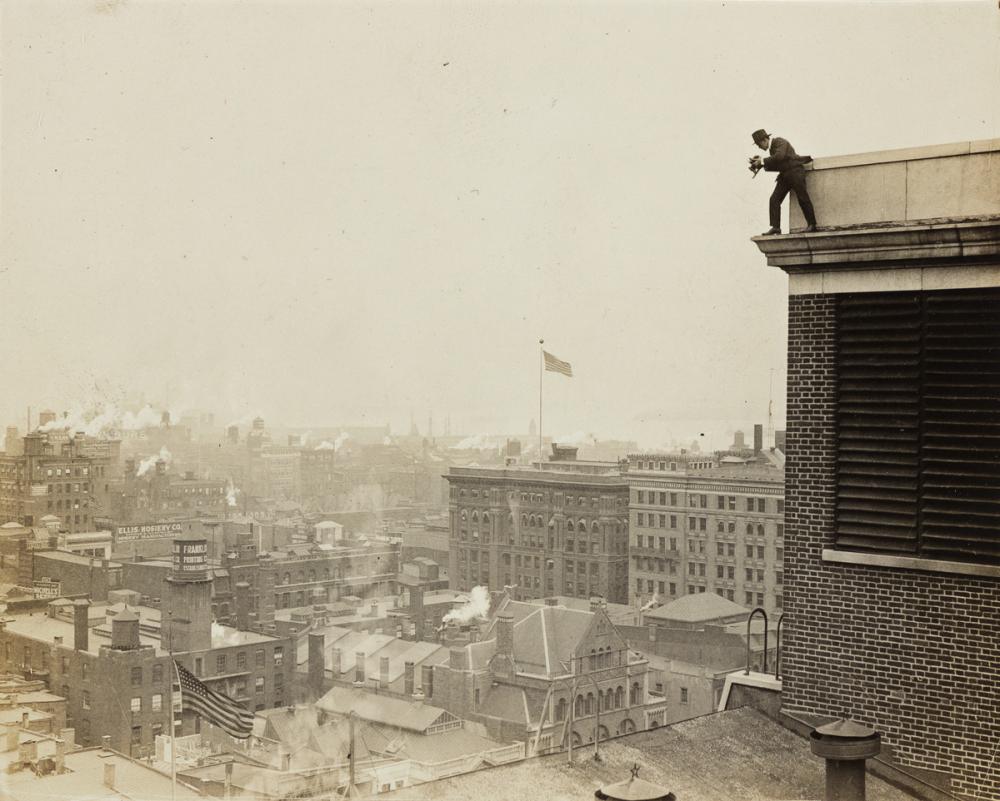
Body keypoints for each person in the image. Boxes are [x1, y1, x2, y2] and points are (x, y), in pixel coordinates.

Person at [751, 129, 817, 235]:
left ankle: (812, 224)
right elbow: (778, 162)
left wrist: (763, 161)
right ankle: (776, 227)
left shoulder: (779, 141)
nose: (759, 147)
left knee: (802, 197)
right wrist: (760, 164)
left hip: (795, 172)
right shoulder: (773, 148)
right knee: (774, 199)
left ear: (765, 140)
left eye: (759, 144)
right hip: (785, 175)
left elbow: (779, 157)